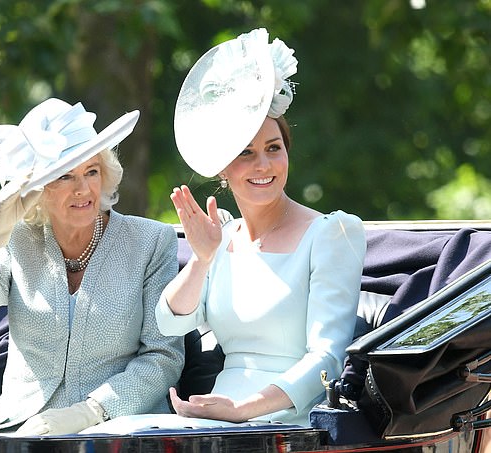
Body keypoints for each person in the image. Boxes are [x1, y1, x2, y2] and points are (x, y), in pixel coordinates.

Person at [155, 28, 366, 427]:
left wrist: (245, 409)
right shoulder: (221, 234)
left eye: (273, 148)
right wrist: (201, 260)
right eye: (246, 153)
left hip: (292, 419)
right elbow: (170, 321)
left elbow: (328, 358)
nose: (264, 166)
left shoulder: (332, 234)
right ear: (223, 168)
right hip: (216, 416)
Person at [0, 97, 184, 435]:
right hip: (22, 427)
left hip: (118, 428)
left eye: (91, 172)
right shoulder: (16, 239)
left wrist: (92, 411)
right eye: (65, 176)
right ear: (38, 188)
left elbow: (163, 357)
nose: (83, 189)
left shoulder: (150, 241)